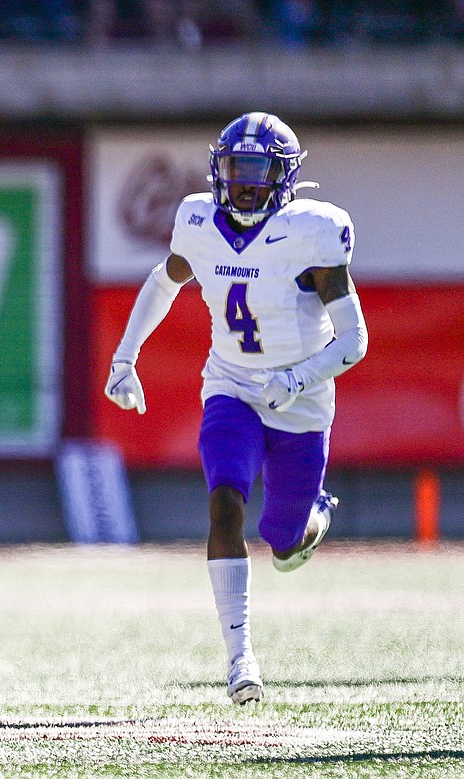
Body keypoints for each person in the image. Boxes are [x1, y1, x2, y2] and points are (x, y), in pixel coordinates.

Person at [104, 112, 367, 704]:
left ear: (285, 178)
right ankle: (239, 656)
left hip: (301, 402)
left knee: (285, 544)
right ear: (218, 172)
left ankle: (310, 517)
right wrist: (125, 359)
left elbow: (354, 341)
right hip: (231, 385)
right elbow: (164, 281)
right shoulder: (198, 220)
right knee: (224, 500)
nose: (245, 184)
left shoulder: (312, 233)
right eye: (235, 170)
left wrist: (298, 377)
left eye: (258, 172)